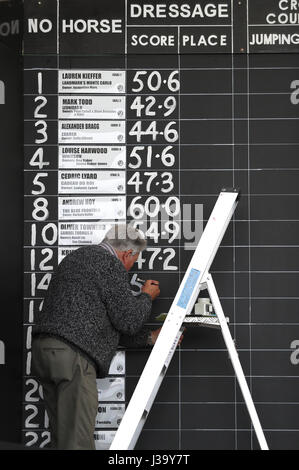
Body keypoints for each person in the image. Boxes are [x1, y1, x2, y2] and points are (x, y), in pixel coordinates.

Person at [31, 224, 161, 450]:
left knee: (62, 439)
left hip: (45, 352)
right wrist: (146, 297)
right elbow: (128, 321)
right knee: (78, 442)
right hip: (73, 358)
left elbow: (98, 325)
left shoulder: (75, 258)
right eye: (135, 260)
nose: (131, 268)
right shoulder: (110, 264)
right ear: (127, 253)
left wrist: (149, 338)